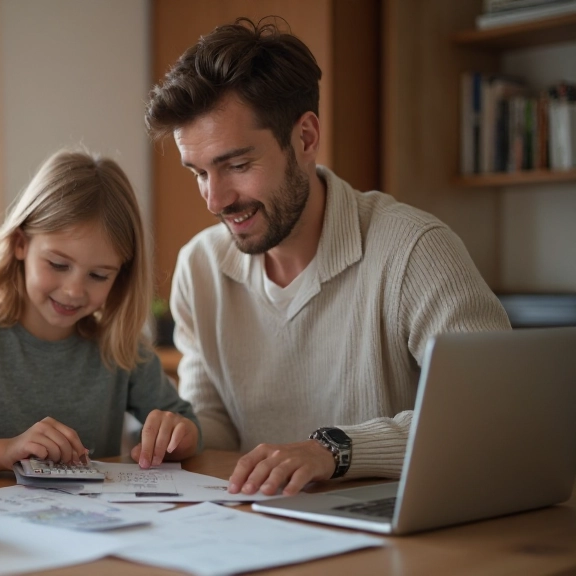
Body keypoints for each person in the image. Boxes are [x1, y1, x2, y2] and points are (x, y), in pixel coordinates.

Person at [144, 19, 511, 497]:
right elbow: (217, 424)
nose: (215, 200)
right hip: (264, 533)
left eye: (236, 165)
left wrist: (334, 451)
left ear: (305, 137)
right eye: (199, 172)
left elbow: (493, 411)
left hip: (398, 537)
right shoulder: (200, 268)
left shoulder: (414, 249)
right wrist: (186, 435)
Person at [0, 150, 202, 476]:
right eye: (57, 264)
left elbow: (190, 431)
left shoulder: (122, 348)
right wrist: (8, 451)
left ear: (121, 276)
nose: (73, 290)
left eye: (99, 275)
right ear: (20, 244)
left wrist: (176, 435)